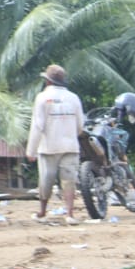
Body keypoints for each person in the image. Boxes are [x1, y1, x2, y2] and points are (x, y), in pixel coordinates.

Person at [25, 64, 85, 224]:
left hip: (49, 147)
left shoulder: (42, 98)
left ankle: (42, 212)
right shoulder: (74, 98)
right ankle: (70, 214)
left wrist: (31, 150)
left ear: (48, 81)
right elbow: (81, 125)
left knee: (46, 180)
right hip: (71, 146)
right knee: (69, 180)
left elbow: (38, 125)